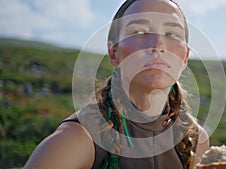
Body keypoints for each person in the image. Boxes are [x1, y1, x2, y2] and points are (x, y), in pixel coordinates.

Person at [24, 0, 209, 169]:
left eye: (172, 33)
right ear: (114, 53)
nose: (158, 44)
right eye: (138, 32)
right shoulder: (77, 138)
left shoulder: (196, 139)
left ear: (184, 57)